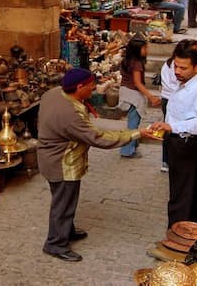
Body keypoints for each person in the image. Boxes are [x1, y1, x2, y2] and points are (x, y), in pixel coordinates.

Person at [38, 68, 158, 262]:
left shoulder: (54, 93)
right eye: (91, 87)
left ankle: (66, 230)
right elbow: (99, 138)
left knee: (66, 200)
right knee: (63, 203)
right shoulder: (70, 114)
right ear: (79, 87)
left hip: (51, 158)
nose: (94, 90)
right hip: (61, 163)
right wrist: (137, 133)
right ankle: (55, 243)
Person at [147, 47, 197, 228]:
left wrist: (173, 126)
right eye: (176, 67)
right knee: (189, 191)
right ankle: (194, 230)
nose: (177, 71)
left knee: (182, 195)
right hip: (180, 142)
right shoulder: (186, 83)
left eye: (183, 68)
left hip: (189, 145)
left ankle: (177, 234)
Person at [158, 38, 197, 173]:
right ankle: (167, 159)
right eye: (194, 50)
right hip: (170, 99)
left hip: (177, 99)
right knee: (171, 130)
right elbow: (171, 85)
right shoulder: (170, 65)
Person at [118, 38, 163, 158]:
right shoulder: (137, 64)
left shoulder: (127, 60)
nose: (147, 50)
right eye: (145, 48)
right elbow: (137, 83)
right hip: (133, 95)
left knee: (132, 122)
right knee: (133, 125)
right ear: (137, 49)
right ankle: (127, 150)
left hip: (125, 92)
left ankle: (133, 145)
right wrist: (151, 97)